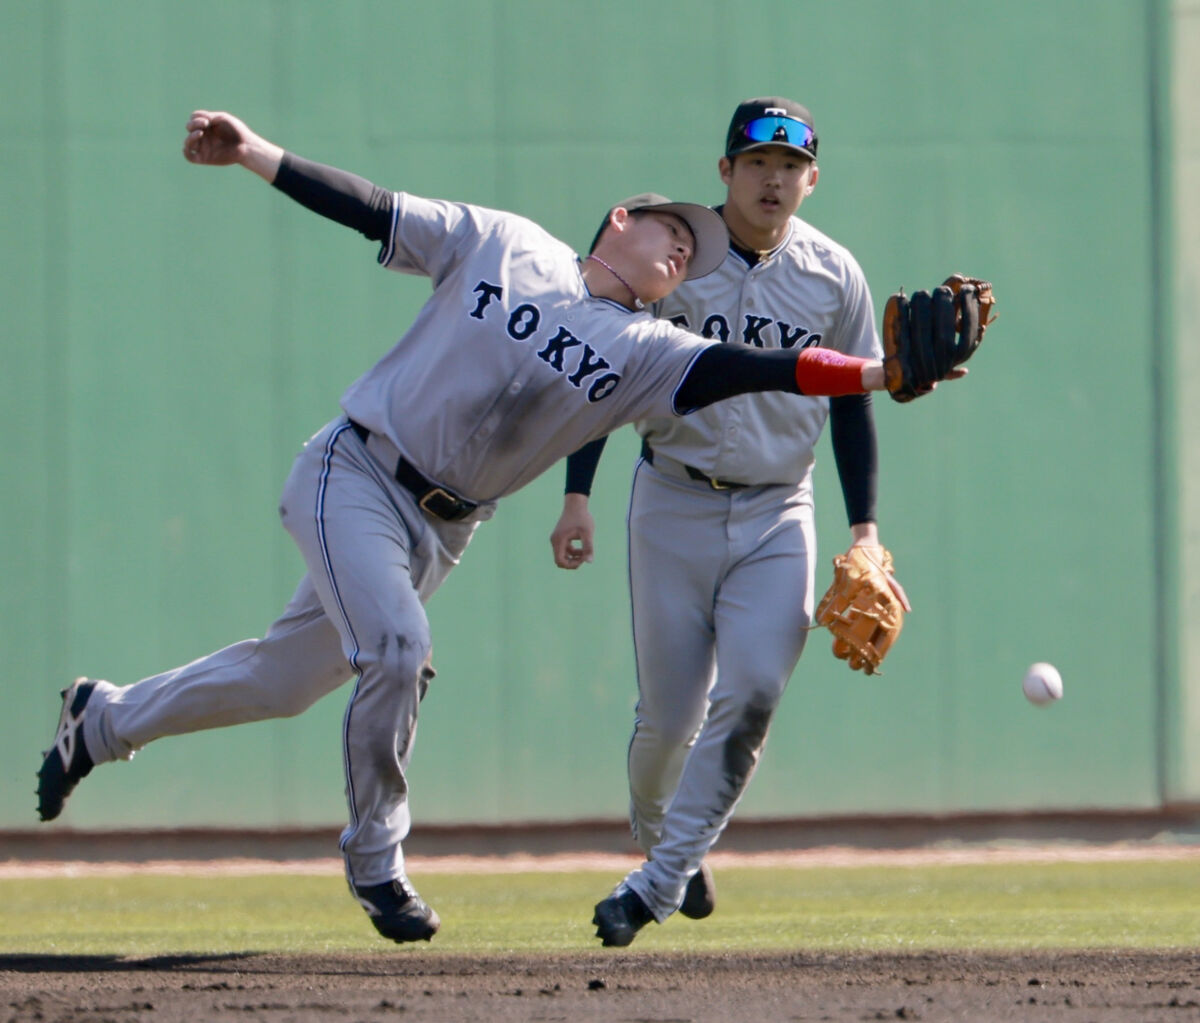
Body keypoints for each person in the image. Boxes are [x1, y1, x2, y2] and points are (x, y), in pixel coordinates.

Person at [36, 107, 915, 947]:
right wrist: (255, 151)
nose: (685, 250)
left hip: (438, 532)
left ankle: (104, 719)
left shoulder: (651, 349)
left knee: (285, 677)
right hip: (356, 471)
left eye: (693, 255)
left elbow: (765, 367)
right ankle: (376, 858)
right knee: (394, 651)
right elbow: (372, 209)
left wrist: (882, 374)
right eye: (672, 230)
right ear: (620, 220)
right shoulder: (506, 241)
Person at [550, 97, 900, 947]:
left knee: (751, 696)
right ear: (725, 173)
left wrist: (865, 529)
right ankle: (664, 831)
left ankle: (658, 878)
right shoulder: (674, 256)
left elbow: (853, 402)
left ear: (812, 178)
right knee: (669, 722)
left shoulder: (832, 274)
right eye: (756, 162)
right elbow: (610, 372)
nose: (772, 178)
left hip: (782, 506)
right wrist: (577, 493)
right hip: (671, 499)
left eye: (789, 165)